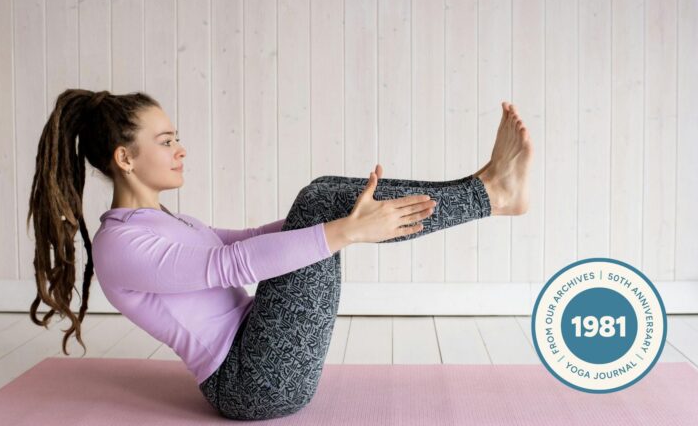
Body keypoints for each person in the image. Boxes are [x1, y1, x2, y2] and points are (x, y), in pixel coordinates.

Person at [27, 89, 532, 421]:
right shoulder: (122, 245)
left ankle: (484, 189)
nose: (180, 148)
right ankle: (490, 193)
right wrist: (343, 231)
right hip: (251, 382)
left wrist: (338, 225)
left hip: (263, 354)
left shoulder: (163, 222)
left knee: (322, 196)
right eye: (165, 141)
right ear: (125, 158)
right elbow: (229, 265)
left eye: (177, 137)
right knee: (321, 204)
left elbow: (244, 240)